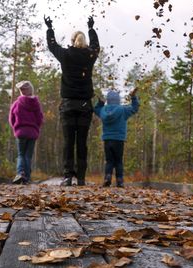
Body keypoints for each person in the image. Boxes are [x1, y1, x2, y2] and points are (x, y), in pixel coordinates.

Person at [44, 15, 100, 186]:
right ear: (83, 41)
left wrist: (50, 28)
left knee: (69, 142)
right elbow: (96, 45)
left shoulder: (66, 55)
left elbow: (52, 45)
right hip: (85, 106)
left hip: (68, 105)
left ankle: (68, 176)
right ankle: (81, 177)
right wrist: (91, 28)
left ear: (72, 40)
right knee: (82, 143)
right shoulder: (90, 55)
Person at [94, 88, 139, 187]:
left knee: (109, 160)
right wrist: (133, 97)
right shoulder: (123, 110)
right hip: (119, 140)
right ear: (118, 99)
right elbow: (135, 108)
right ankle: (120, 180)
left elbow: (96, 110)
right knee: (118, 161)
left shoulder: (103, 110)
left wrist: (100, 103)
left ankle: (107, 178)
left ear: (108, 100)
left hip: (107, 139)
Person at [9, 81, 44, 184]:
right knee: (28, 156)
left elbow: (11, 119)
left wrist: (16, 128)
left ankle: (20, 173)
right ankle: (27, 177)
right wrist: (36, 128)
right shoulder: (36, 103)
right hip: (32, 133)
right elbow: (40, 118)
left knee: (21, 155)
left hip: (20, 132)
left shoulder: (16, 103)